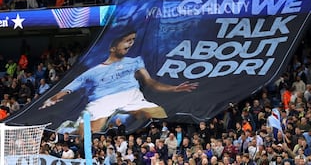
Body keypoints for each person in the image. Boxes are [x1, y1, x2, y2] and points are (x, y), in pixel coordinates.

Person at [40, 30, 198, 134]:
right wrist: (53, 98)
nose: (130, 43)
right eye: (127, 40)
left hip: (132, 96)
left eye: (132, 40)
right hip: (103, 101)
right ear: (113, 48)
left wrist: (174, 89)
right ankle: (72, 127)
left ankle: (126, 120)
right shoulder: (93, 72)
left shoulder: (135, 61)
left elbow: (151, 83)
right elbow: (70, 88)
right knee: (87, 132)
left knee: (158, 113)